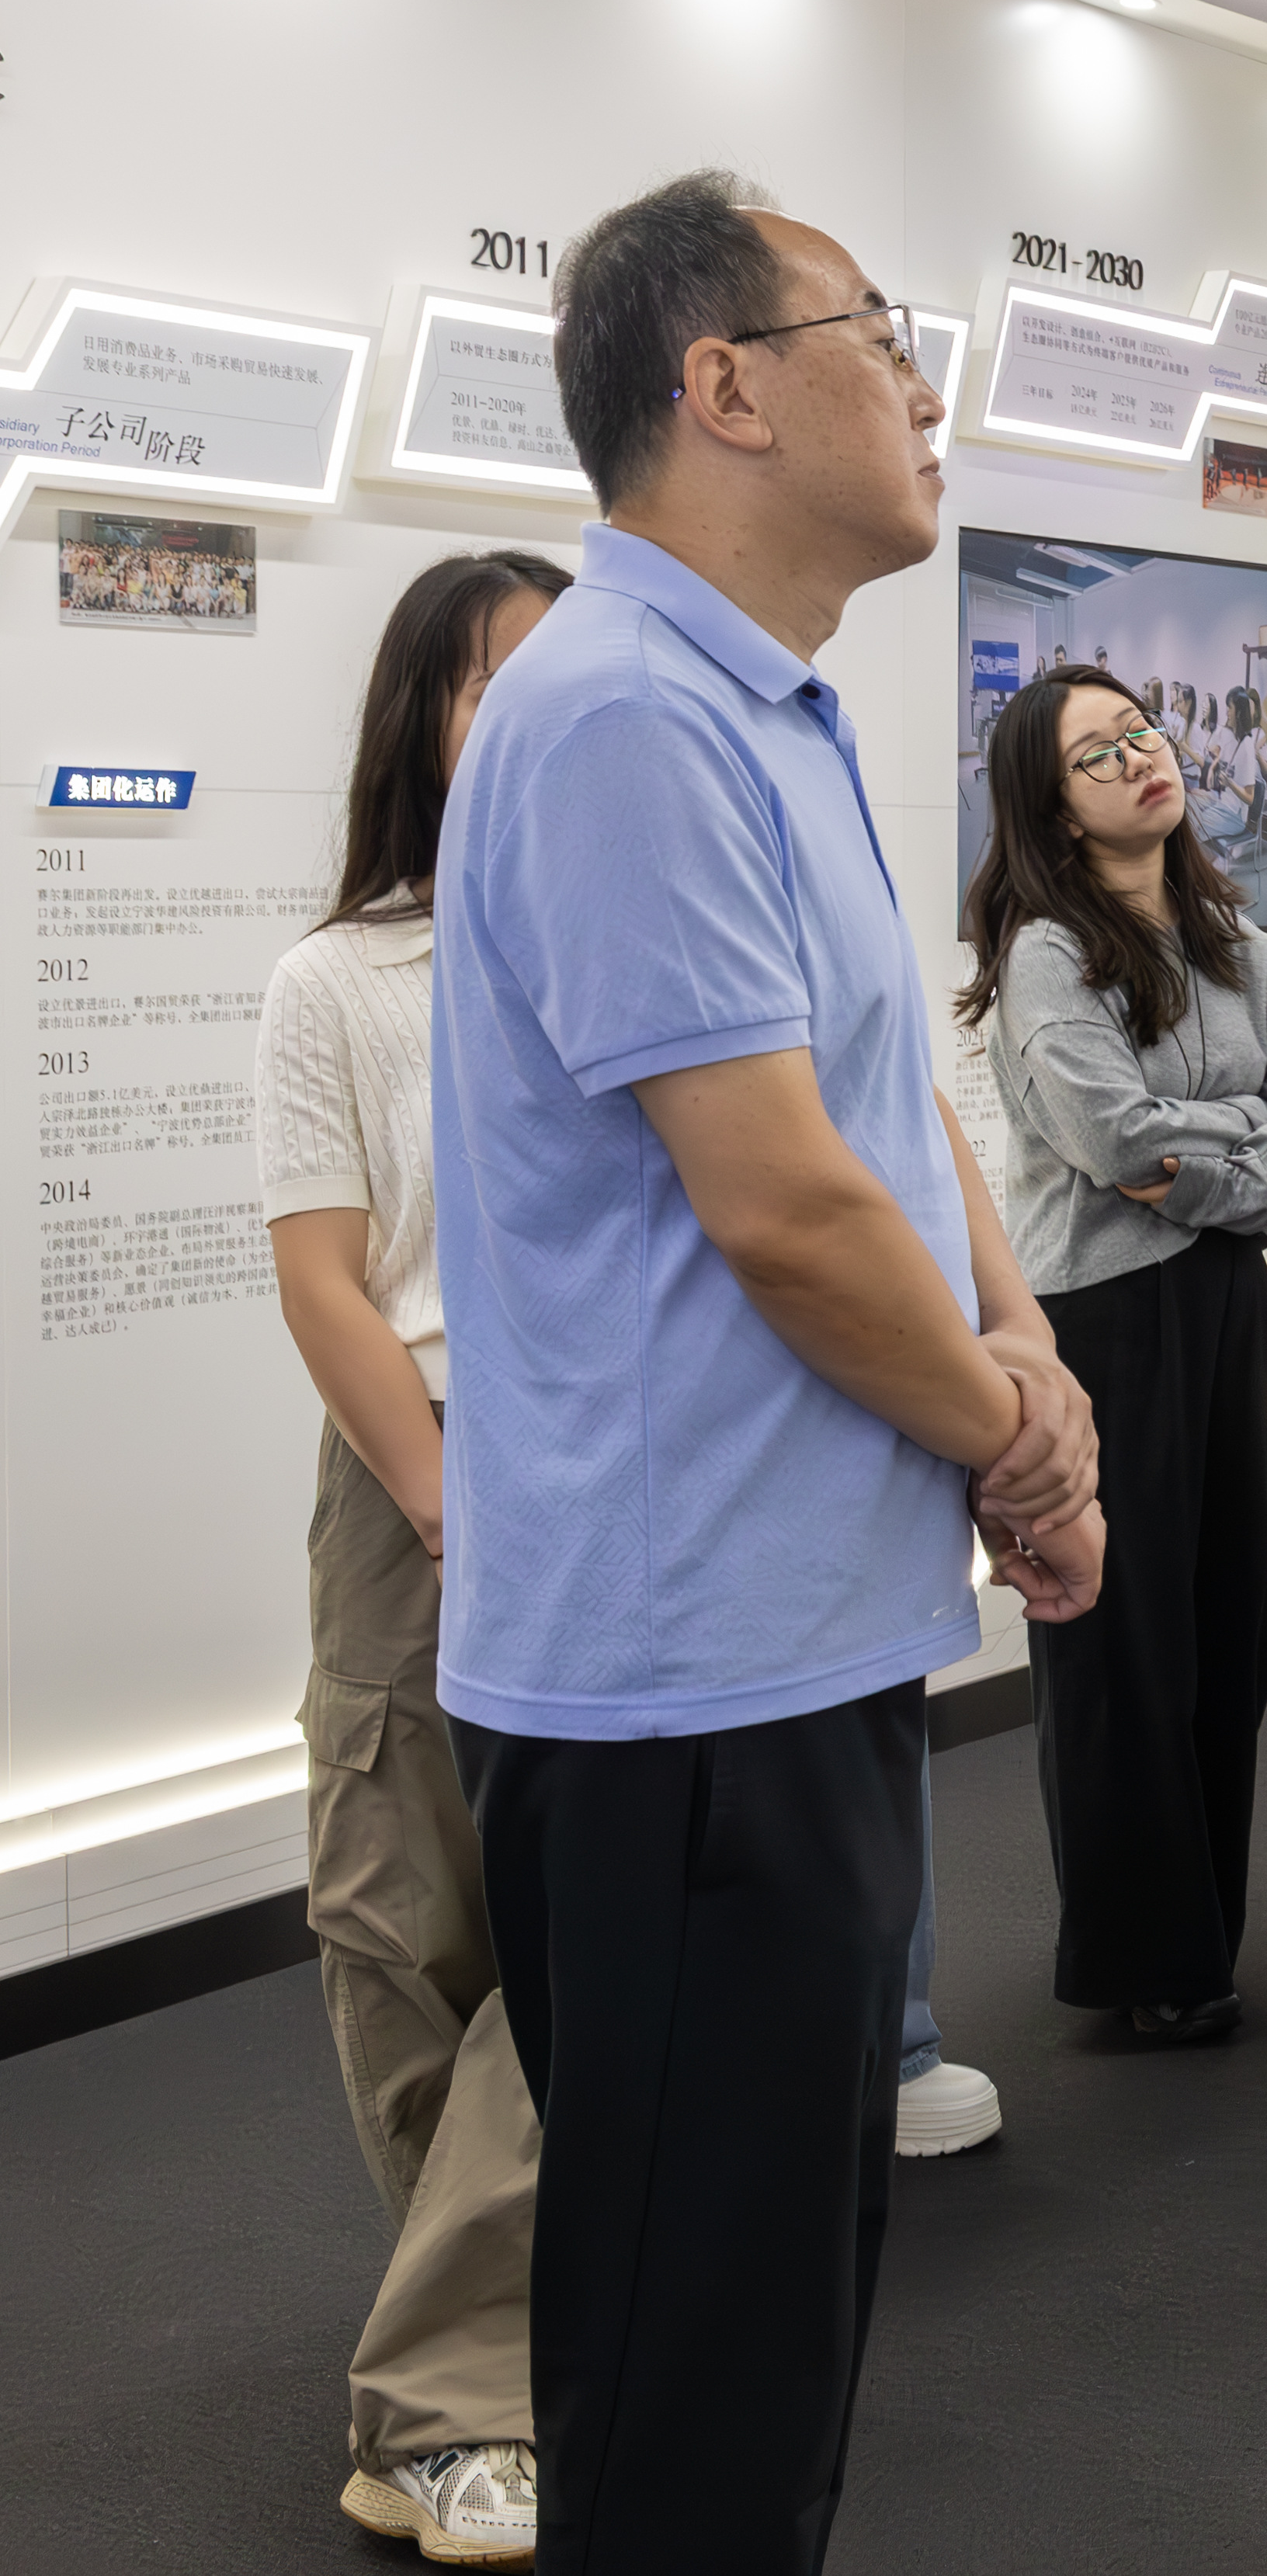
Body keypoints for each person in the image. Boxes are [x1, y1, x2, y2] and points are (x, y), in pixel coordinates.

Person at [436, 169, 1104, 2571]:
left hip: (789, 1641)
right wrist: (1020, 1436)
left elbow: (883, 1112)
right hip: (670, 1685)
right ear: (722, 385)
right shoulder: (621, 710)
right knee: (691, 2378)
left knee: (773, 2325)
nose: (925, 388)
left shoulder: (775, 703)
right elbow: (782, 1208)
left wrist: (1024, 1350)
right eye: (877, 335)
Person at [259, 547, 564, 2569]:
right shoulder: (340, 980)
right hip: (416, 1472)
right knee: (401, 1920)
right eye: (492, 684)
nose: (536, 714)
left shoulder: (629, 939)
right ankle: (482, 2358)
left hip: (617, 1466)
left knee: (585, 1923)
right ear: (424, 722)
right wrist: (449, 1499)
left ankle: (453, 2403)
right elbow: (326, 1276)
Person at [964, 664, 1267, 2043]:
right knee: (1125, 1644)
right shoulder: (1047, 954)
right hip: (1107, 1325)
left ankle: (1206, 1934)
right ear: (1051, 807)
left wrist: (1215, 1156)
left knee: (1229, 1626)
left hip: (1227, 1298)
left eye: (1140, 730)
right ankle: (1139, 1956)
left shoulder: (1228, 927)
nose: (1141, 755)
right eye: (1098, 752)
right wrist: (1247, 1140)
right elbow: (1115, 1141)